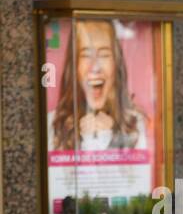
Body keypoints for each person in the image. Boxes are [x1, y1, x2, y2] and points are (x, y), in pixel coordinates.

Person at [49, 19, 149, 153]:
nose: (95, 67)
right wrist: (88, 142)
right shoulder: (52, 123)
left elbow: (139, 173)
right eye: (86, 55)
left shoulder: (134, 122)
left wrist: (110, 141)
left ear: (116, 65)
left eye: (104, 55)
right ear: (74, 67)